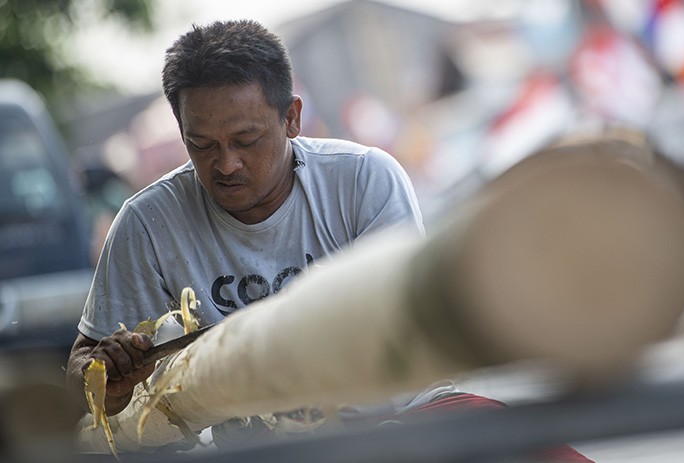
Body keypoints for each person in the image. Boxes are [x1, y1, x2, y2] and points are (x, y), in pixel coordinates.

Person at [65, 19, 592, 461]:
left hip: (407, 418)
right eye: (201, 146)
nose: (226, 164)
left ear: (291, 117)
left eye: (246, 140)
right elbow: (83, 372)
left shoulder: (363, 178)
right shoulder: (146, 222)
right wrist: (105, 379)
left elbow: (402, 328)